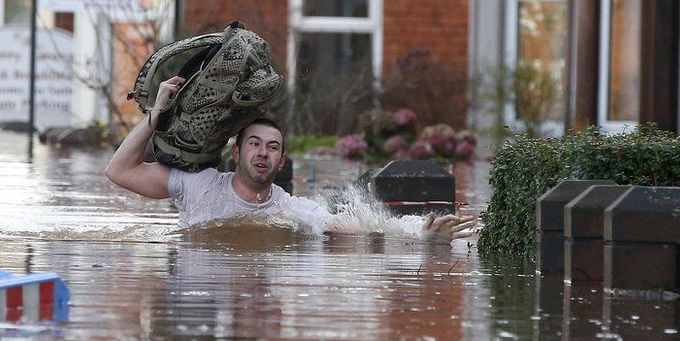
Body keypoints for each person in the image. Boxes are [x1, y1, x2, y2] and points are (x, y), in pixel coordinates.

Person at [105, 76, 477, 242]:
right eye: (254, 144)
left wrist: (423, 235)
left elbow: (367, 229)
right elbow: (118, 170)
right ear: (236, 152)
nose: (262, 152)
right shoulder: (197, 183)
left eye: (272, 147)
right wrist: (155, 116)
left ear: (282, 162)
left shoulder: (293, 211)